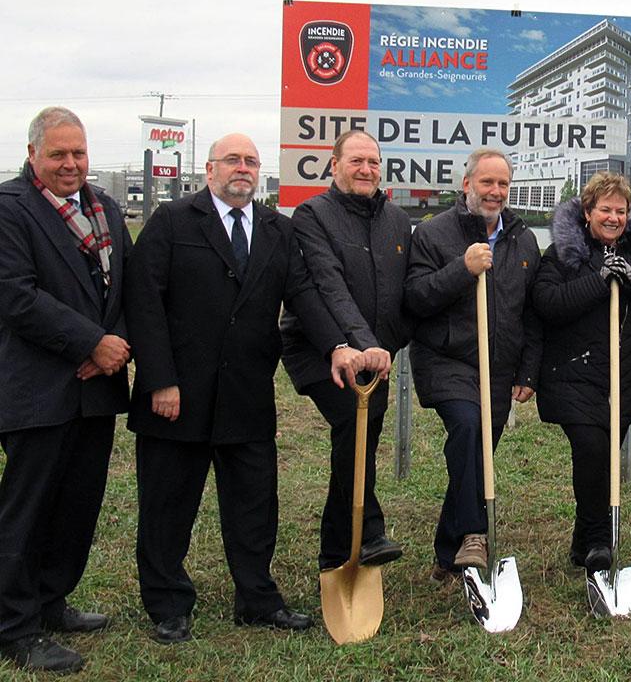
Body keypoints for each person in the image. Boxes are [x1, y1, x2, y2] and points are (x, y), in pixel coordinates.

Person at [125, 133, 359, 644]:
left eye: (252, 162)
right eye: (233, 160)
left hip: (246, 393)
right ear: (209, 170)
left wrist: (337, 347)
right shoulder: (172, 222)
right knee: (168, 504)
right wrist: (160, 380)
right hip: (176, 396)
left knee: (254, 504)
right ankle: (167, 603)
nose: (244, 169)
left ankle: (256, 599)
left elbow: (302, 295)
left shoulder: (277, 229)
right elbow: (143, 302)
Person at [0, 107, 132, 674]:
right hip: (36, 390)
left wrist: (116, 342)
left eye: (78, 152)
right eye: (58, 154)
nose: (70, 164)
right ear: (33, 155)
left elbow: (128, 288)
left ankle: (51, 599)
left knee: (76, 505)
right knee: (26, 511)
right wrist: (89, 343)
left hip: (94, 390)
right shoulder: (10, 211)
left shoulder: (103, 207)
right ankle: (14, 625)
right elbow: (15, 295)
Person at [405, 148, 542, 580]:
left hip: (499, 367)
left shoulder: (523, 239)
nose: (496, 192)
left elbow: (532, 313)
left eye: (503, 184)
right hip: (447, 360)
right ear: (467, 185)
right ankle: (475, 534)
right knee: (467, 430)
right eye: (487, 182)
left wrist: (528, 370)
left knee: (477, 456)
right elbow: (416, 298)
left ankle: (449, 553)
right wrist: (462, 269)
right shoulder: (435, 235)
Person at [281, 130, 409, 573]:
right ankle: (368, 530)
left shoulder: (396, 220)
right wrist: (363, 344)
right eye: (356, 161)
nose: (366, 169)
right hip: (320, 347)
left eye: (373, 162)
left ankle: (336, 554)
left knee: (363, 436)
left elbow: (404, 291)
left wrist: (387, 345)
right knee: (356, 427)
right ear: (333, 166)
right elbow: (328, 285)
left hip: (375, 356)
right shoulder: (312, 215)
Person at [532, 172, 631, 570]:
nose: (613, 217)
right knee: (592, 451)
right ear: (588, 211)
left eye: (621, 211)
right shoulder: (563, 252)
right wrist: (598, 281)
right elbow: (547, 303)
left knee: (604, 459)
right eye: (605, 209)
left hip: (622, 379)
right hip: (574, 376)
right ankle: (598, 541)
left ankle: (583, 541)